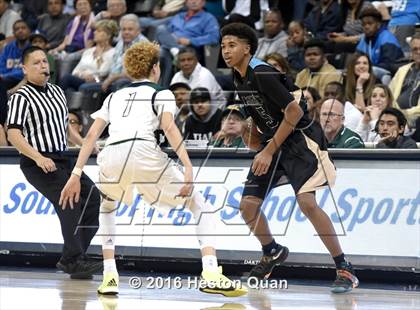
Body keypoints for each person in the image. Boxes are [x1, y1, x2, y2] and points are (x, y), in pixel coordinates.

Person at [59, 41, 247, 297]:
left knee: (107, 207)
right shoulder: (162, 92)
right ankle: (211, 271)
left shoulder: (114, 96)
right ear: (156, 68)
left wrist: (76, 173)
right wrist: (189, 166)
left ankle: (110, 275)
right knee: (200, 205)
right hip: (142, 150)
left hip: (111, 152)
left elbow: (92, 134)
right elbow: (169, 128)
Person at [220, 22, 359, 293]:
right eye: (223, 46)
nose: (226, 51)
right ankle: (271, 251)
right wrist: (254, 136)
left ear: (247, 49)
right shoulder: (238, 77)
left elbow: (293, 113)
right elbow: (261, 114)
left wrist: (268, 150)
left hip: (299, 141)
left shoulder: (261, 72)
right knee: (247, 206)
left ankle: (344, 267)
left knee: (307, 203)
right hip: (274, 141)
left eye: (232, 45)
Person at [6, 46, 102, 279]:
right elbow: (13, 134)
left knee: (92, 199)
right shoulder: (21, 97)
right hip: (37, 162)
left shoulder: (58, 91)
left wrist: (82, 142)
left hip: (63, 158)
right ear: (25, 69)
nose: (43, 66)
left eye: (45, 62)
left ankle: (73, 257)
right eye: (37, 63)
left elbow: (64, 125)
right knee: (70, 200)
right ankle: (74, 259)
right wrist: (38, 157)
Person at [356, 7, 404, 84]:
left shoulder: (387, 38)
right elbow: (356, 59)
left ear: (378, 24)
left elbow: (389, 65)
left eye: (370, 23)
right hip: (370, 72)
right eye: (364, 24)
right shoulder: (364, 39)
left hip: (391, 75)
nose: (366, 27)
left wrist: (366, 67)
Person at [389, 35, 420, 128]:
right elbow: (389, 94)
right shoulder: (402, 70)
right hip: (396, 116)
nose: (419, 52)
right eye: (415, 49)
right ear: (411, 52)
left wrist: (405, 113)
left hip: (416, 119)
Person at [0, 20, 30, 89]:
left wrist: (5, 76)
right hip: (6, 81)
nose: (20, 31)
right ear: (13, 33)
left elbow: (27, 71)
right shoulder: (8, 48)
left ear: (29, 31)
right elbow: (1, 66)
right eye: (17, 29)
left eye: (23, 28)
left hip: (25, 81)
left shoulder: (32, 48)